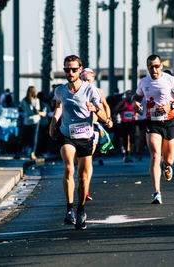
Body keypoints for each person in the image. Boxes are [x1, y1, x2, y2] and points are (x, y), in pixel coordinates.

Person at [49, 55, 107, 229]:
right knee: (68, 167)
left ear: (80, 70)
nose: (70, 72)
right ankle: (69, 209)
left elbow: (104, 117)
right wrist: (53, 122)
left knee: (83, 177)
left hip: (86, 136)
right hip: (67, 134)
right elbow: (59, 106)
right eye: (67, 69)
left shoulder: (90, 90)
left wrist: (95, 108)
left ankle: (81, 209)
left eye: (74, 69)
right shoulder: (60, 90)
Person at [132, 55, 174, 204]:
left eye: (157, 66)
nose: (154, 69)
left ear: (161, 66)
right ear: (147, 67)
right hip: (152, 123)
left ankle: (167, 166)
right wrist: (136, 104)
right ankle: (157, 192)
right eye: (151, 67)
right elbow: (136, 97)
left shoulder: (170, 80)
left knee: (169, 159)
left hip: (169, 122)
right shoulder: (144, 82)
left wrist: (172, 106)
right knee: (155, 155)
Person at [80, 68, 113, 201]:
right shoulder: (77, 91)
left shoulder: (98, 91)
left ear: (93, 79)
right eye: (84, 79)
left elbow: (105, 105)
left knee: (88, 158)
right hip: (79, 127)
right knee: (80, 161)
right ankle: (83, 185)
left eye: (89, 79)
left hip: (93, 128)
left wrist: (108, 119)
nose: (87, 82)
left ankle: (86, 189)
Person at [19, 86, 46, 159]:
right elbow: (36, 111)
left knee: (24, 137)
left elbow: (20, 108)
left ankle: (19, 153)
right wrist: (42, 113)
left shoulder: (23, 100)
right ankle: (32, 153)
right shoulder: (36, 100)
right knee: (34, 138)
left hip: (26, 121)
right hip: (35, 120)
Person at [115, 90, 137, 162]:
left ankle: (131, 153)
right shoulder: (122, 103)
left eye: (130, 94)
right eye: (128, 94)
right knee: (123, 138)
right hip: (124, 123)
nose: (129, 96)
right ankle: (124, 151)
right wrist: (123, 109)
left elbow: (139, 110)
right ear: (125, 95)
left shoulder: (134, 103)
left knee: (132, 138)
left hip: (132, 122)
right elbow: (115, 110)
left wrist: (137, 111)